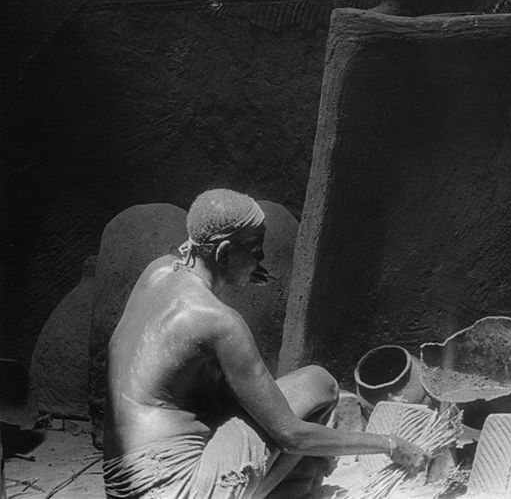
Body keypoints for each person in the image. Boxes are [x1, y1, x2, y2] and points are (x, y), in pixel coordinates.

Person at [102, 189, 428, 499]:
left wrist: (232, 271)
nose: (261, 258)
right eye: (255, 251)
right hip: (178, 488)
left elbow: (197, 278)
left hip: (121, 484)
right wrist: (388, 443)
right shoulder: (221, 322)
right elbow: (290, 435)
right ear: (225, 253)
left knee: (248, 410)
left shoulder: (156, 271)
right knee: (319, 383)